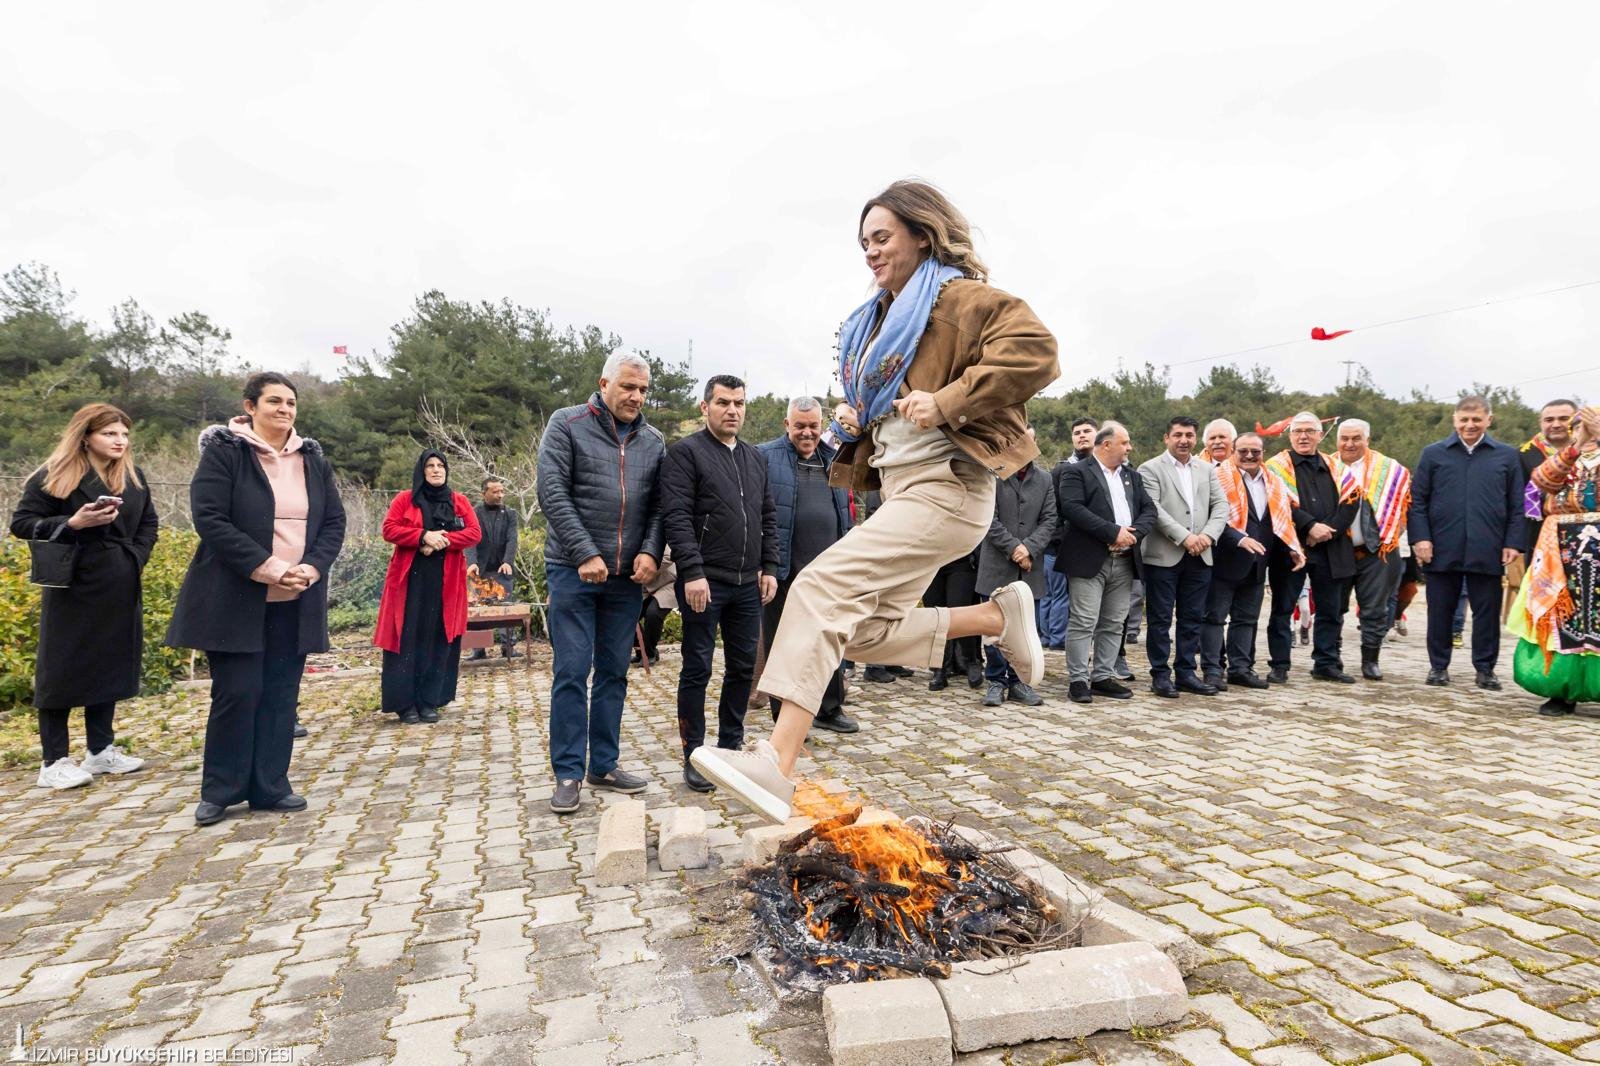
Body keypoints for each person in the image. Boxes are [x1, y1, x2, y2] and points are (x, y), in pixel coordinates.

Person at [691, 180, 1058, 822]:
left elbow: (1035, 351)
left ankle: (775, 765)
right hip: (904, 493)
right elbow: (894, 407)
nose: (870, 251)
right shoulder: (883, 321)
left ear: (924, 234)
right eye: (863, 242)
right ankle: (994, 621)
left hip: (947, 488)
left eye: (882, 237)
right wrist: (861, 422)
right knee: (857, 632)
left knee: (815, 590)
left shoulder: (960, 298)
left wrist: (945, 402)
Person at [167, 373, 347, 826]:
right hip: (236, 596)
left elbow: (334, 522)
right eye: (273, 401)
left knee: (280, 695)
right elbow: (210, 518)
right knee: (238, 692)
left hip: (297, 597)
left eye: (291, 402)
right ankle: (221, 790)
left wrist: (311, 567)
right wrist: (270, 568)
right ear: (250, 406)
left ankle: (271, 786)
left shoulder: (312, 459)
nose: (284, 409)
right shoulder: (227, 452)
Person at [536, 351, 665, 814]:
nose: (636, 396)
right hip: (573, 573)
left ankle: (603, 764)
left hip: (625, 579)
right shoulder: (566, 424)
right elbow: (552, 491)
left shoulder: (653, 440)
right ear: (604, 383)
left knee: (614, 671)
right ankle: (568, 772)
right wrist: (584, 552)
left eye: (643, 389)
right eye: (628, 387)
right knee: (572, 671)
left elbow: (657, 506)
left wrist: (650, 551)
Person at [10, 404, 157, 790]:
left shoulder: (133, 476)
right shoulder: (54, 475)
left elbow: (149, 524)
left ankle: (100, 750)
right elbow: (21, 523)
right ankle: (53, 760)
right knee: (62, 667)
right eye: (110, 434)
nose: (120, 441)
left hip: (119, 579)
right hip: (72, 581)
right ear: (86, 435)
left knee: (107, 661)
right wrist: (72, 523)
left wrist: (134, 558)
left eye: (124, 434)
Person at [661, 375, 778, 791]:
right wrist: (691, 572)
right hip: (704, 582)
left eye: (740, 403)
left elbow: (767, 515)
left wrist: (770, 566)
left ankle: (731, 746)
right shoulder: (685, 454)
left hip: (748, 582)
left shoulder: (754, 457)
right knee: (697, 667)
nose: (733, 410)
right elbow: (675, 517)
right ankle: (695, 753)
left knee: (743, 668)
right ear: (704, 407)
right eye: (724, 402)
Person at [1410, 395, 1524, 689]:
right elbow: (1418, 501)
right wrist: (1421, 537)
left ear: (1489, 419)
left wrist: (1513, 542)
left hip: (1488, 547)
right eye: (1464, 419)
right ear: (1454, 420)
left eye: (1476, 419)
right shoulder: (1433, 454)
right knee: (1440, 611)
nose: (1470, 425)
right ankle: (1438, 667)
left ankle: (1485, 669)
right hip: (1441, 546)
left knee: (1486, 613)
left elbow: (1516, 505)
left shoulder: (1507, 456)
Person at [758, 396, 857, 733]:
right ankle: (782, 719)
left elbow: (846, 513)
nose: (807, 432)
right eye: (799, 426)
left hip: (828, 572)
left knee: (827, 642)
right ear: (787, 425)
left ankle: (829, 708)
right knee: (782, 646)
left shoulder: (834, 459)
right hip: (783, 570)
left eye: (813, 426)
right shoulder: (764, 457)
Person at [376, 451, 481, 724]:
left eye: (440, 465)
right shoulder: (405, 499)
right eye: (430, 466)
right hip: (410, 582)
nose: (436, 470)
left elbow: (474, 532)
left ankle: (429, 701)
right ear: (421, 471)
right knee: (407, 639)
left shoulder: (459, 501)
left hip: (445, 584)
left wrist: (441, 540)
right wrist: (422, 535)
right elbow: (389, 529)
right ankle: (405, 704)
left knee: (438, 639)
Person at [1510, 407, 1600, 716]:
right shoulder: (1565, 459)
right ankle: (1561, 691)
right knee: (1561, 616)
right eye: (1580, 425)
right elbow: (1541, 481)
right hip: (1560, 549)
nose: (1584, 429)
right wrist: (1576, 446)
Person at [1058, 422, 1155, 704]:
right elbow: (1073, 509)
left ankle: (1102, 677)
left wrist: (1130, 536)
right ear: (1107, 444)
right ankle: (1077, 679)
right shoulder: (1075, 472)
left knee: (1114, 622)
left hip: (1124, 560)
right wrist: (1112, 532)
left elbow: (1149, 510)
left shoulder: (1132, 477)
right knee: (1084, 620)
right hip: (1089, 559)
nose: (1129, 448)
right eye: (1125, 443)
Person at [1205, 432, 1304, 690]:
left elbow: (1280, 521)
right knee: (1214, 619)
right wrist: (1238, 538)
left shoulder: (1273, 481)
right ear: (1233, 452)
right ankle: (1213, 670)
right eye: (1243, 451)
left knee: (1246, 619)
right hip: (1223, 561)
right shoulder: (1217, 478)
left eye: (1255, 452)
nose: (1249, 456)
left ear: (1263, 453)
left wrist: (1291, 547)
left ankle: (1240, 669)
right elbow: (1213, 518)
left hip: (1258, 563)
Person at [1264, 412, 1358, 683]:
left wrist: (1328, 531)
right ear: (1290, 435)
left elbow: (1351, 502)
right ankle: (1279, 665)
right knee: (1282, 609)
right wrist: (1309, 527)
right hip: (1291, 549)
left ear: (1320, 434)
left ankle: (1326, 664)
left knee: (1330, 610)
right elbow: (1277, 501)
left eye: (1309, 431)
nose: (1303, 436)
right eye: (1297, 431)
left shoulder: (1337, 466)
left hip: (1331, 548)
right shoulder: (1276, 467)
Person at [1138, 416, 1227, 698]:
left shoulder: (1206, 469)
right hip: (1164, 555)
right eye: (1178, 434)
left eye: (1189, 435)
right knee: (1161, 619)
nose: (1184, 440)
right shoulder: (1149, 468)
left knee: (1193, 617)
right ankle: (1160, 675)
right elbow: (1153, 509)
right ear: (1167, 437)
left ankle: (1187, 672)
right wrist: (1185, 537)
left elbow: (1221, 505)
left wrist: (1208, 536)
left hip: (1201, 554)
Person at [975, 429, 1056, 707]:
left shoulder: (1045, 479)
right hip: (997, 565)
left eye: (1030, 440)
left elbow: (1050, 519)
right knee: (995, 627)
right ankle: (996, 681)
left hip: (1030, 567)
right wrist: (1014, 548)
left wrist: (1029, 548)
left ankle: (1020, 683)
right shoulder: (992, 474)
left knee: (1026, 629)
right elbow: (987, 518)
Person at [1333, 420, 1412, 680]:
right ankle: (1331, 659)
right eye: (1344, 438)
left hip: (1377, 550)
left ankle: (1370, 661)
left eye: (1356, 438)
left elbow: (1405, 508)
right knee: (1333, 607)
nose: (1350, 443)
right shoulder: (1326, 466)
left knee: (1375, 609)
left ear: (1367, 439)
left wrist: (1392, 534)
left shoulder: (1392, 470)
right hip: (1336, 549)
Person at [1514, 400, 1577, 620]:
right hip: (1539, 537)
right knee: (1544, 601)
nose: (1556, 424)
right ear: (1540, 423)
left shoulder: (1592, 450)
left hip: (1585, 536)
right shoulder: (1523, 455)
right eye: (1549, 419)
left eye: (1563, 418)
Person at [1041, 417, 1095, 649]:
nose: (1081, 435)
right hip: (1060, 544)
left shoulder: (1107, 469)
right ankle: (1054, 638)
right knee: (1055, 594)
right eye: (1077, 432)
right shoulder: (1063, 468)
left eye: (1087, 431)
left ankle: (1051, 637)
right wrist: (1056, 537)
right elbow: (1053, 508)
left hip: (1090, 544)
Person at [466, 476, 521, 659]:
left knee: (505, 607)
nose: (500, 495)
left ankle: (508, 648)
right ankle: (478, 650)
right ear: (484, 493)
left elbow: (512, 539)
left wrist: (508, 561)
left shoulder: (510, 513)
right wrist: (471, 562)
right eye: (495, 491)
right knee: (478, 610)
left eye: (501, 491)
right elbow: (470, 541)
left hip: (501, 568)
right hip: (480, 568)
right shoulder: (473, 513)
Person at [923, 553, 985, 690]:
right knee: (936, 616)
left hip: (962, 562)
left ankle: (971, 660)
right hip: (931, 564)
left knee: (959, 613)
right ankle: (939, 669)